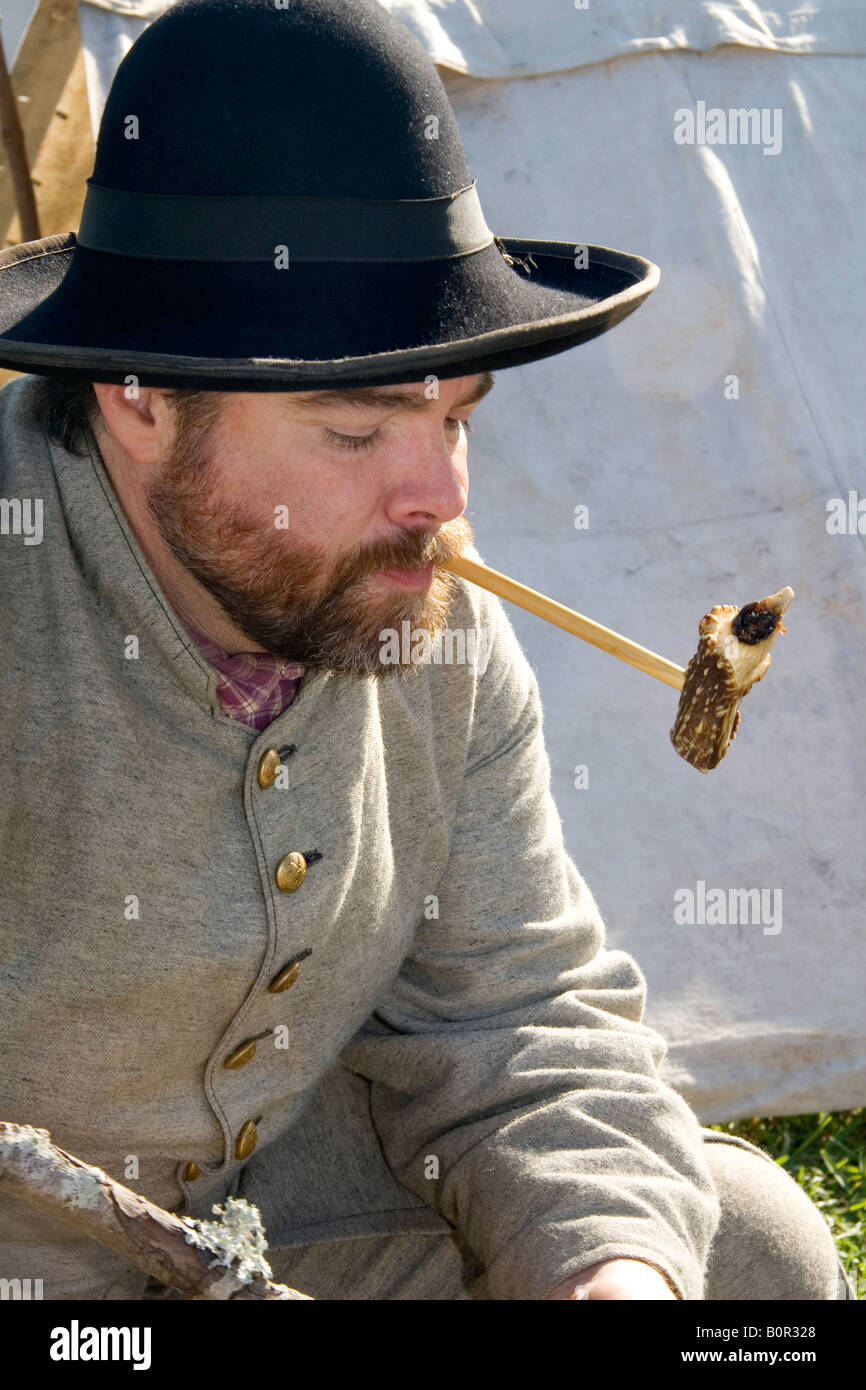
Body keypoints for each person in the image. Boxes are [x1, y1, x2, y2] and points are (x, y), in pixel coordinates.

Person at [0, 0, 852, 1301]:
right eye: (356, 432)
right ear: (138, 397)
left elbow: (518, 1011)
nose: (439, 497)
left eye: (454, 415)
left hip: (288, 1213)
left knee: (742, 1257)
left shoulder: (426, 623)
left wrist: (607, 1271)